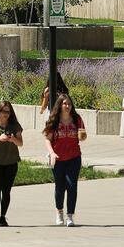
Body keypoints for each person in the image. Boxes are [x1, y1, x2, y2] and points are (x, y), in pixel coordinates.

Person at [43, 93, 86, 227]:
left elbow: (82, 135)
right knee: (60, 187)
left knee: (72, 186)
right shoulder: (54, 120)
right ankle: (59, 211)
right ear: (60, 105)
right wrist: (51, 153)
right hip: (58, 158)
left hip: (74, 157)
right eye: (64, 104)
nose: (67, 106)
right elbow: (47, 139)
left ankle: (70, 216)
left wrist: (82, 136)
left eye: (69, 104)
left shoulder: (77, 119)